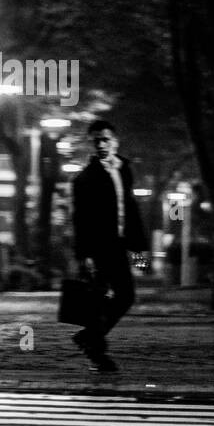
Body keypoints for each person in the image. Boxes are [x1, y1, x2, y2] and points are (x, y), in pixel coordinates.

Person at [70, 119, 147, 372]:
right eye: (96, 141)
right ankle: (96, 349)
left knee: (124, 296)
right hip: (100, 247)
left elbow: (131, 210)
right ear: (90, 145)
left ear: (115, 141)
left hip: (121, 243)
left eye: (106, 139)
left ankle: (90, 337)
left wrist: (140, 252)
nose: (102, 145)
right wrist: (84, 256)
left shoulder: (124, 169)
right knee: (109, 297)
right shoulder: (84, 180)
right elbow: (80, 220)